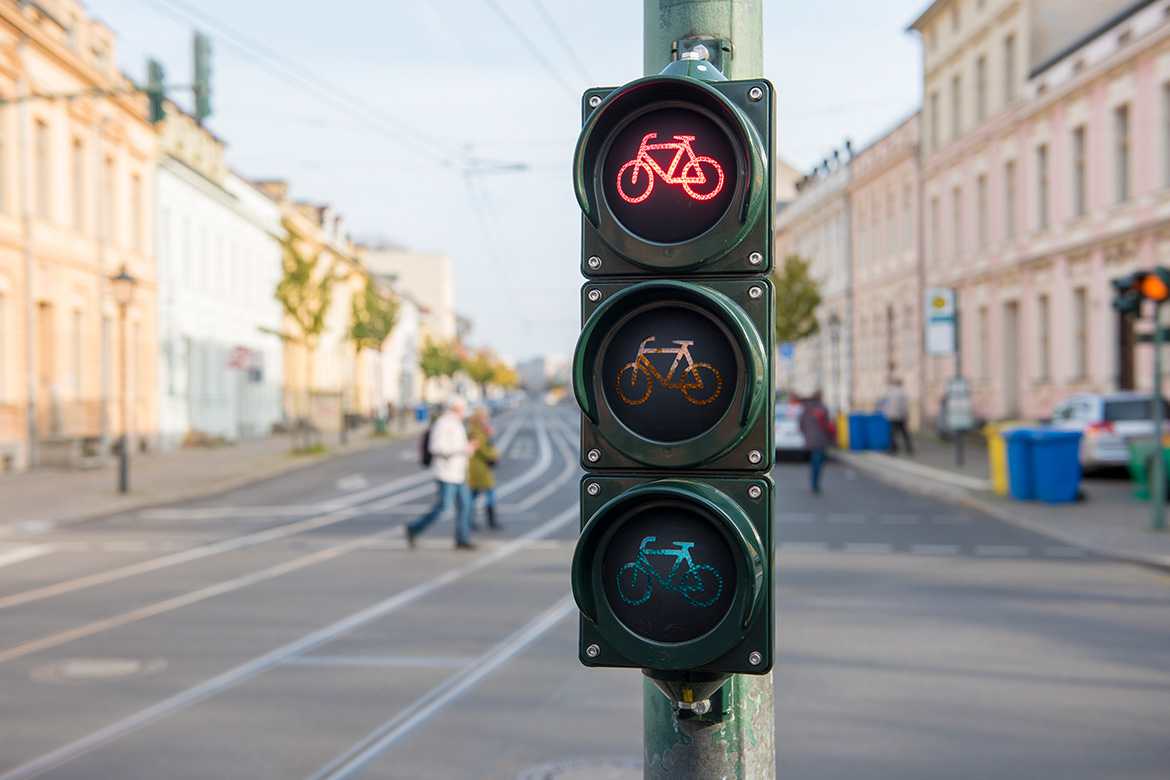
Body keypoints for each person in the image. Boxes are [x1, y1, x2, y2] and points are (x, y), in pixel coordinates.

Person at [405, 398, 477, 550]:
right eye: (462, 409)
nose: (464, 412)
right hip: (446, 473)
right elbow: (436, 447)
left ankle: (462, 538)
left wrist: (467, 449)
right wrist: (463, 450)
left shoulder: (458, 424)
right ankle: (414, 528)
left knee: (466, 505)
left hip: (459, 473)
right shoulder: (443, 423)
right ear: (456, 408)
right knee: (443, 507)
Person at [467, 406, 501, 531]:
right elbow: (482, 447)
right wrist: (494, 456)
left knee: (474, 495)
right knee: (486, 494)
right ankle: (489, 521)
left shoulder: (480, 429)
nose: (486, 419)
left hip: (481, 467)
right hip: (478, 467)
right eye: (484, 417)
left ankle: (472, 520)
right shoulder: (476, 431)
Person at [799, 391, 835, 495]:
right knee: (818, 461)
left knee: (815, 459)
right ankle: (815, 483)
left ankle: (813, 481)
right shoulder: (823, 409)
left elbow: (801, 423)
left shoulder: (806, 409)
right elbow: (828, 424)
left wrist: (806, 434)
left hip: (810, 438)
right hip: (821, 439)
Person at [881, 378, 914, 455]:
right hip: (900, 416)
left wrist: (885, 413)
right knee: (904, 432)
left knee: (893, 433)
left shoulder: (890, 392)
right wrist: (906, 415)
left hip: (892, 415)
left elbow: (886, 404)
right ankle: (909, 448)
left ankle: (894, 448)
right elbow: (904, 406)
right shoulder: (903, 393)